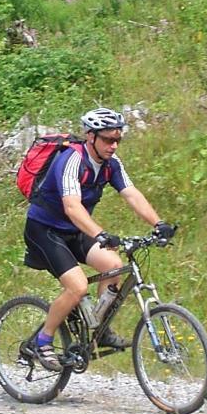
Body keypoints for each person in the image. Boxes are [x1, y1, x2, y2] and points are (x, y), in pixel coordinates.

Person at [21, 108, 176, 372]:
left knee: (113, 267)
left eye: (117, 140)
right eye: (107, 139)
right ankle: (41, 341)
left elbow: (132, 194)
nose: (113, 146)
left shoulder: (111, 165)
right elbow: (71, 206)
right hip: (44, 230)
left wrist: (158, 223)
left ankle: (99, 329)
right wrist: (100, 233)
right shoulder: (72, 160)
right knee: (78, 287)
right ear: (90, 136)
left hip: (74, 231)